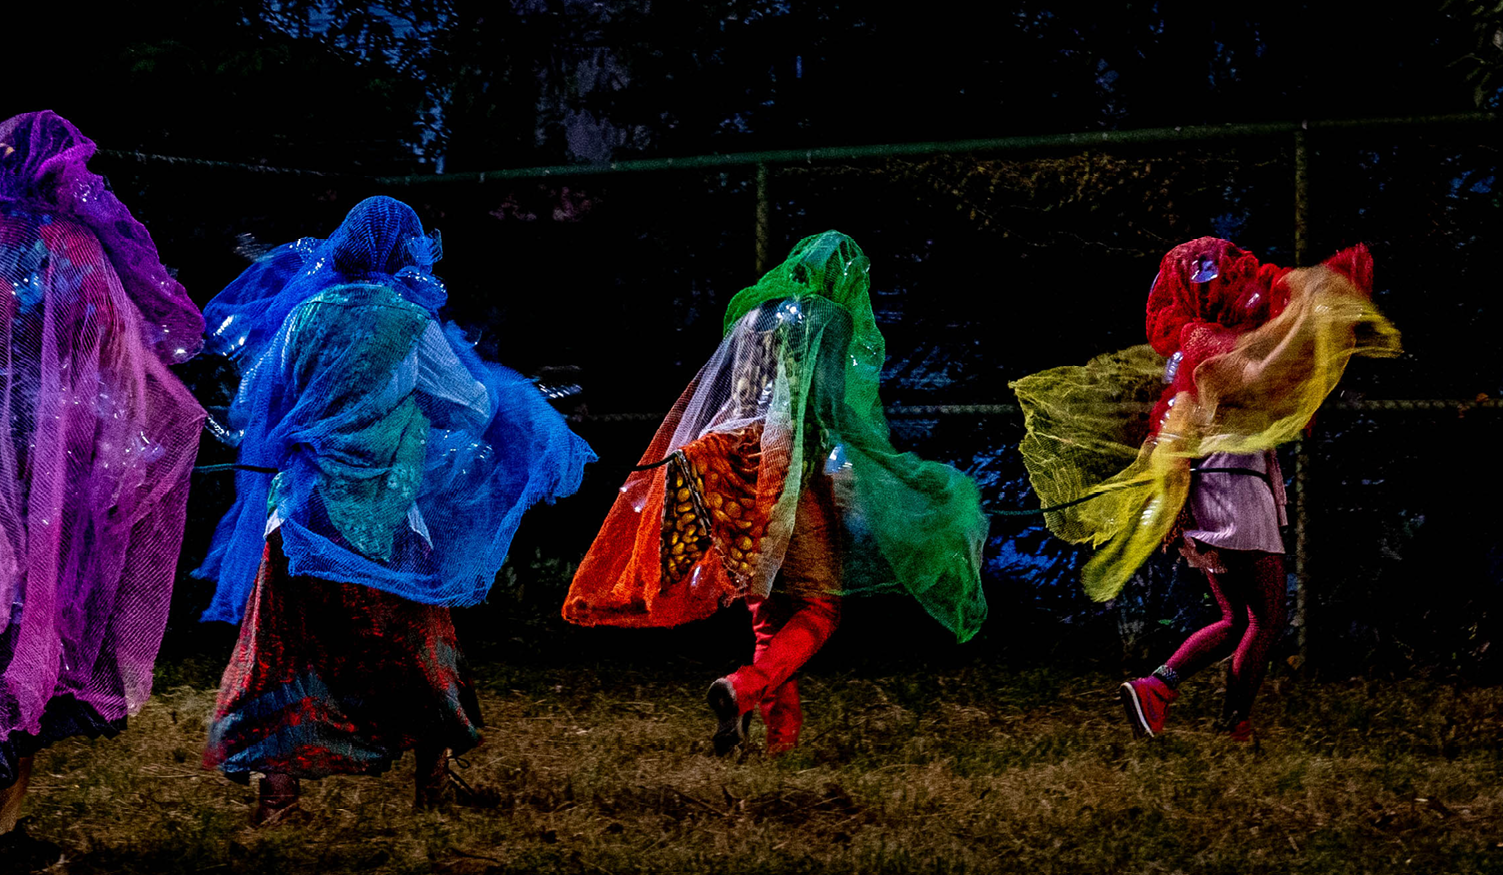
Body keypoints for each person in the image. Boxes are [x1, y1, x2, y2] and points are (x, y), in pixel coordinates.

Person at [193, 195, 594, 824]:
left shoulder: (301, 315)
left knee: (282, 652)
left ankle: (279, 798)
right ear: (404, 250)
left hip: (298, 513)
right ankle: (432, 781)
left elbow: (268, 408)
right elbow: (468, 405)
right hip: (383, 513)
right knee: (418, 643)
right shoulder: (406, 320)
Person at [0, 110, 206, 871]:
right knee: (29, 624)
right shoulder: (72, 250)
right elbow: (118, 366)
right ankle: (1, 830)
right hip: (41, 481)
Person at [563, 231, 989, 755]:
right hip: (783, 473)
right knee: (820, 608)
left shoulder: (754, 315)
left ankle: (777, 742)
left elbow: (739, 400)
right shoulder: (827, 320)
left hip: (726, 467)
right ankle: (742, 688)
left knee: (767, 615)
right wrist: (898, 467)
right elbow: (830, 412)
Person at [1012, 238, 1401, 741]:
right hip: (1233, 487)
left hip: (1218, 486)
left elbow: (1185, 421)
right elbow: (1258, 377)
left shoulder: (1197, 344)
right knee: (1266, 618)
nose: (1240, 282)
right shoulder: (1208, 344)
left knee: (1236, 617)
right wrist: (1312, 317)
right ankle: (1225, 717)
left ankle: (1160, 688)